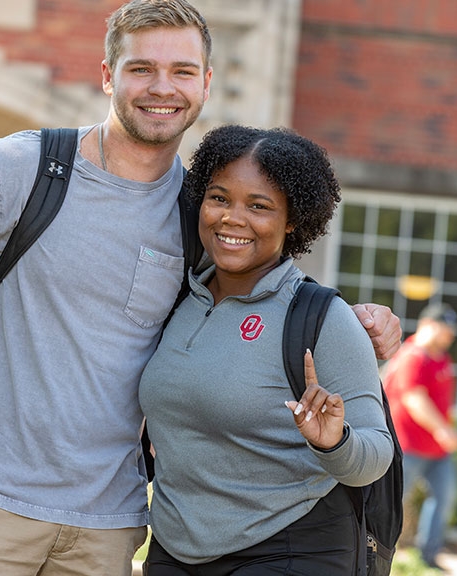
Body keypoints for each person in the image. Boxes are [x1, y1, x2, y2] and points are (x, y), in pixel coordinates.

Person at [0, 0, 401, 576]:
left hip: (107, 525)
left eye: (181, 71)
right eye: (142, 69)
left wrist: (358, 323)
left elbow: (263, 292)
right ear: (109, 76)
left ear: (206, 83)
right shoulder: (20, 168)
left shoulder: (199, 213)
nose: (163, 87)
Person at [139, 124, 394, 574]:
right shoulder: (176, 298)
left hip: (288, 550)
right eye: (219, 198)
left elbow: (375, 455)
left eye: (259, 206)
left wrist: (334, 441)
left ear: (292, 220)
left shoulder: (322, 318)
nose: (232, 219)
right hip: (174, 549)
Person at [383, 302, 457, 572]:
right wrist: (442, 429)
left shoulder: (442, 359)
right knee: (392, 501)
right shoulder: (413, 356)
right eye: (445, 328)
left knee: (444, 497)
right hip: (408, 446)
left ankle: (428, 556)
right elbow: (415, 399)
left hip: (437, 451)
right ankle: (379, 554)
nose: (450, 335)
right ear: (427, 325)